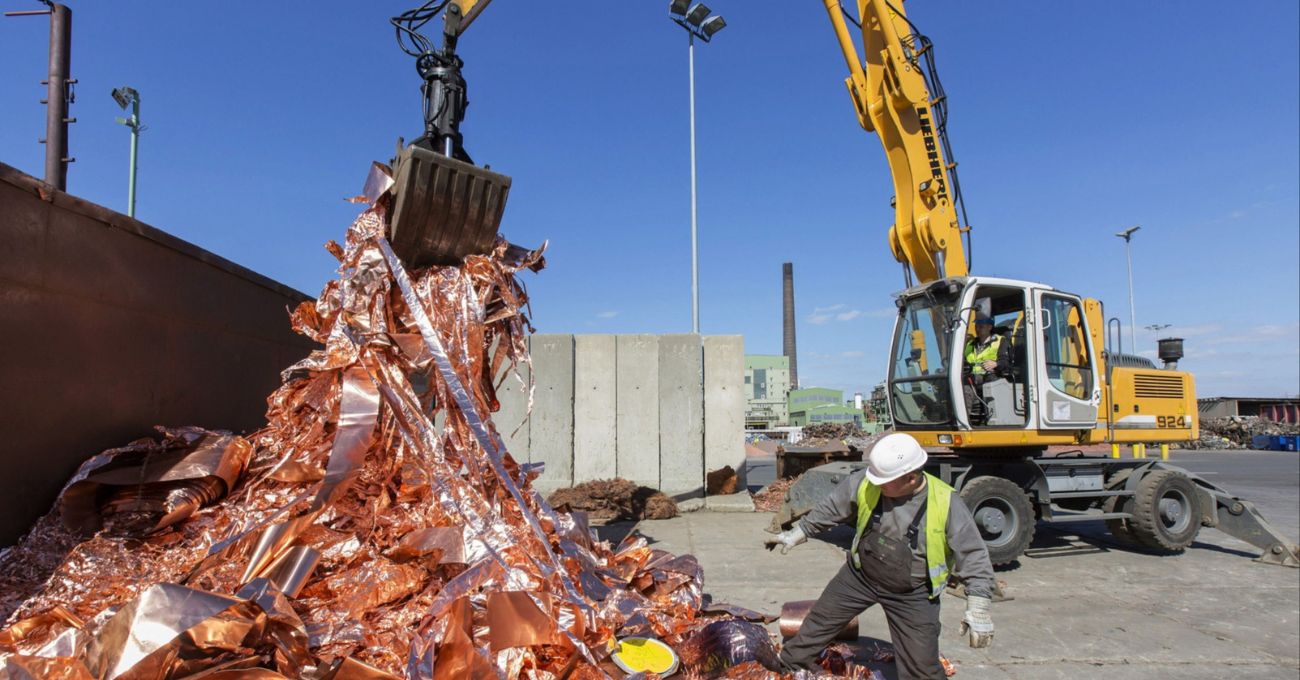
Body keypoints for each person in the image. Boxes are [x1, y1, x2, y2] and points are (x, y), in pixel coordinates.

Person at [764, 433, 996, 679]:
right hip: (860, 576)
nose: (876, 483)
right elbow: (833, 506)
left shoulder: (945, 502)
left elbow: (973, 554)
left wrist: (979, 606)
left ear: (911, 477)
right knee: (817, 624)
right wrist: (800, 531)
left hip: (912, 593)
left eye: (884, 481)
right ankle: (791, 665)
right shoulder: (869, 481)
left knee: (921, 668)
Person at [962, 316, 1011, 423]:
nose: (977, 329)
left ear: (989, 327)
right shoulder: (970, 344)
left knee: (989, 381)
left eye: (981, 326)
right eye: (976, 326)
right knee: (962, 382)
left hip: (992, 376)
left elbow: (1006, 363)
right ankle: (963, 418)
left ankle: (990, 418)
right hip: (972, 378)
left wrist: (995, 364)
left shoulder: (1000, 341)